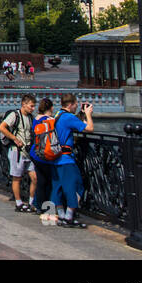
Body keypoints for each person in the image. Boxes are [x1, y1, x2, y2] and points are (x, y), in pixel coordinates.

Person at [51, 94, 93, 228]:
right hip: (66, 159)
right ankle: (69, 216)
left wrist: (81, 115)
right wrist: (89, 114)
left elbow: (76, 125)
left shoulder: (58, 114)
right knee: (75, 186)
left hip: (55, 157)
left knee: (58, 187)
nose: (76, 106)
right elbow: (90, 128)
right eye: (75, 104)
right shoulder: (69, 117)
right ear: (70, 105)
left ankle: (61, 215)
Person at [0, 94, 38, 211]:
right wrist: (15, 139)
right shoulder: (15, 115)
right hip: (17, 151)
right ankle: (19, 202)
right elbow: (2, 127)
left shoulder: (31, 117)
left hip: (28, 151)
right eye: (31, 106)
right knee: (17, 177)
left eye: (34, 106)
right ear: (24, 104)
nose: (33, 108)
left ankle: (32, 202)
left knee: (35, 177)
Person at [29, 97, 56, 215]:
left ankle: (38, 205)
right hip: (47, 154)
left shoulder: (36, 119)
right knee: (48, 182)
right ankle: (46, 207)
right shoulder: (50, 120)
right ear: (51, 108)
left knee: (40, 181)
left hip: (36, 153)